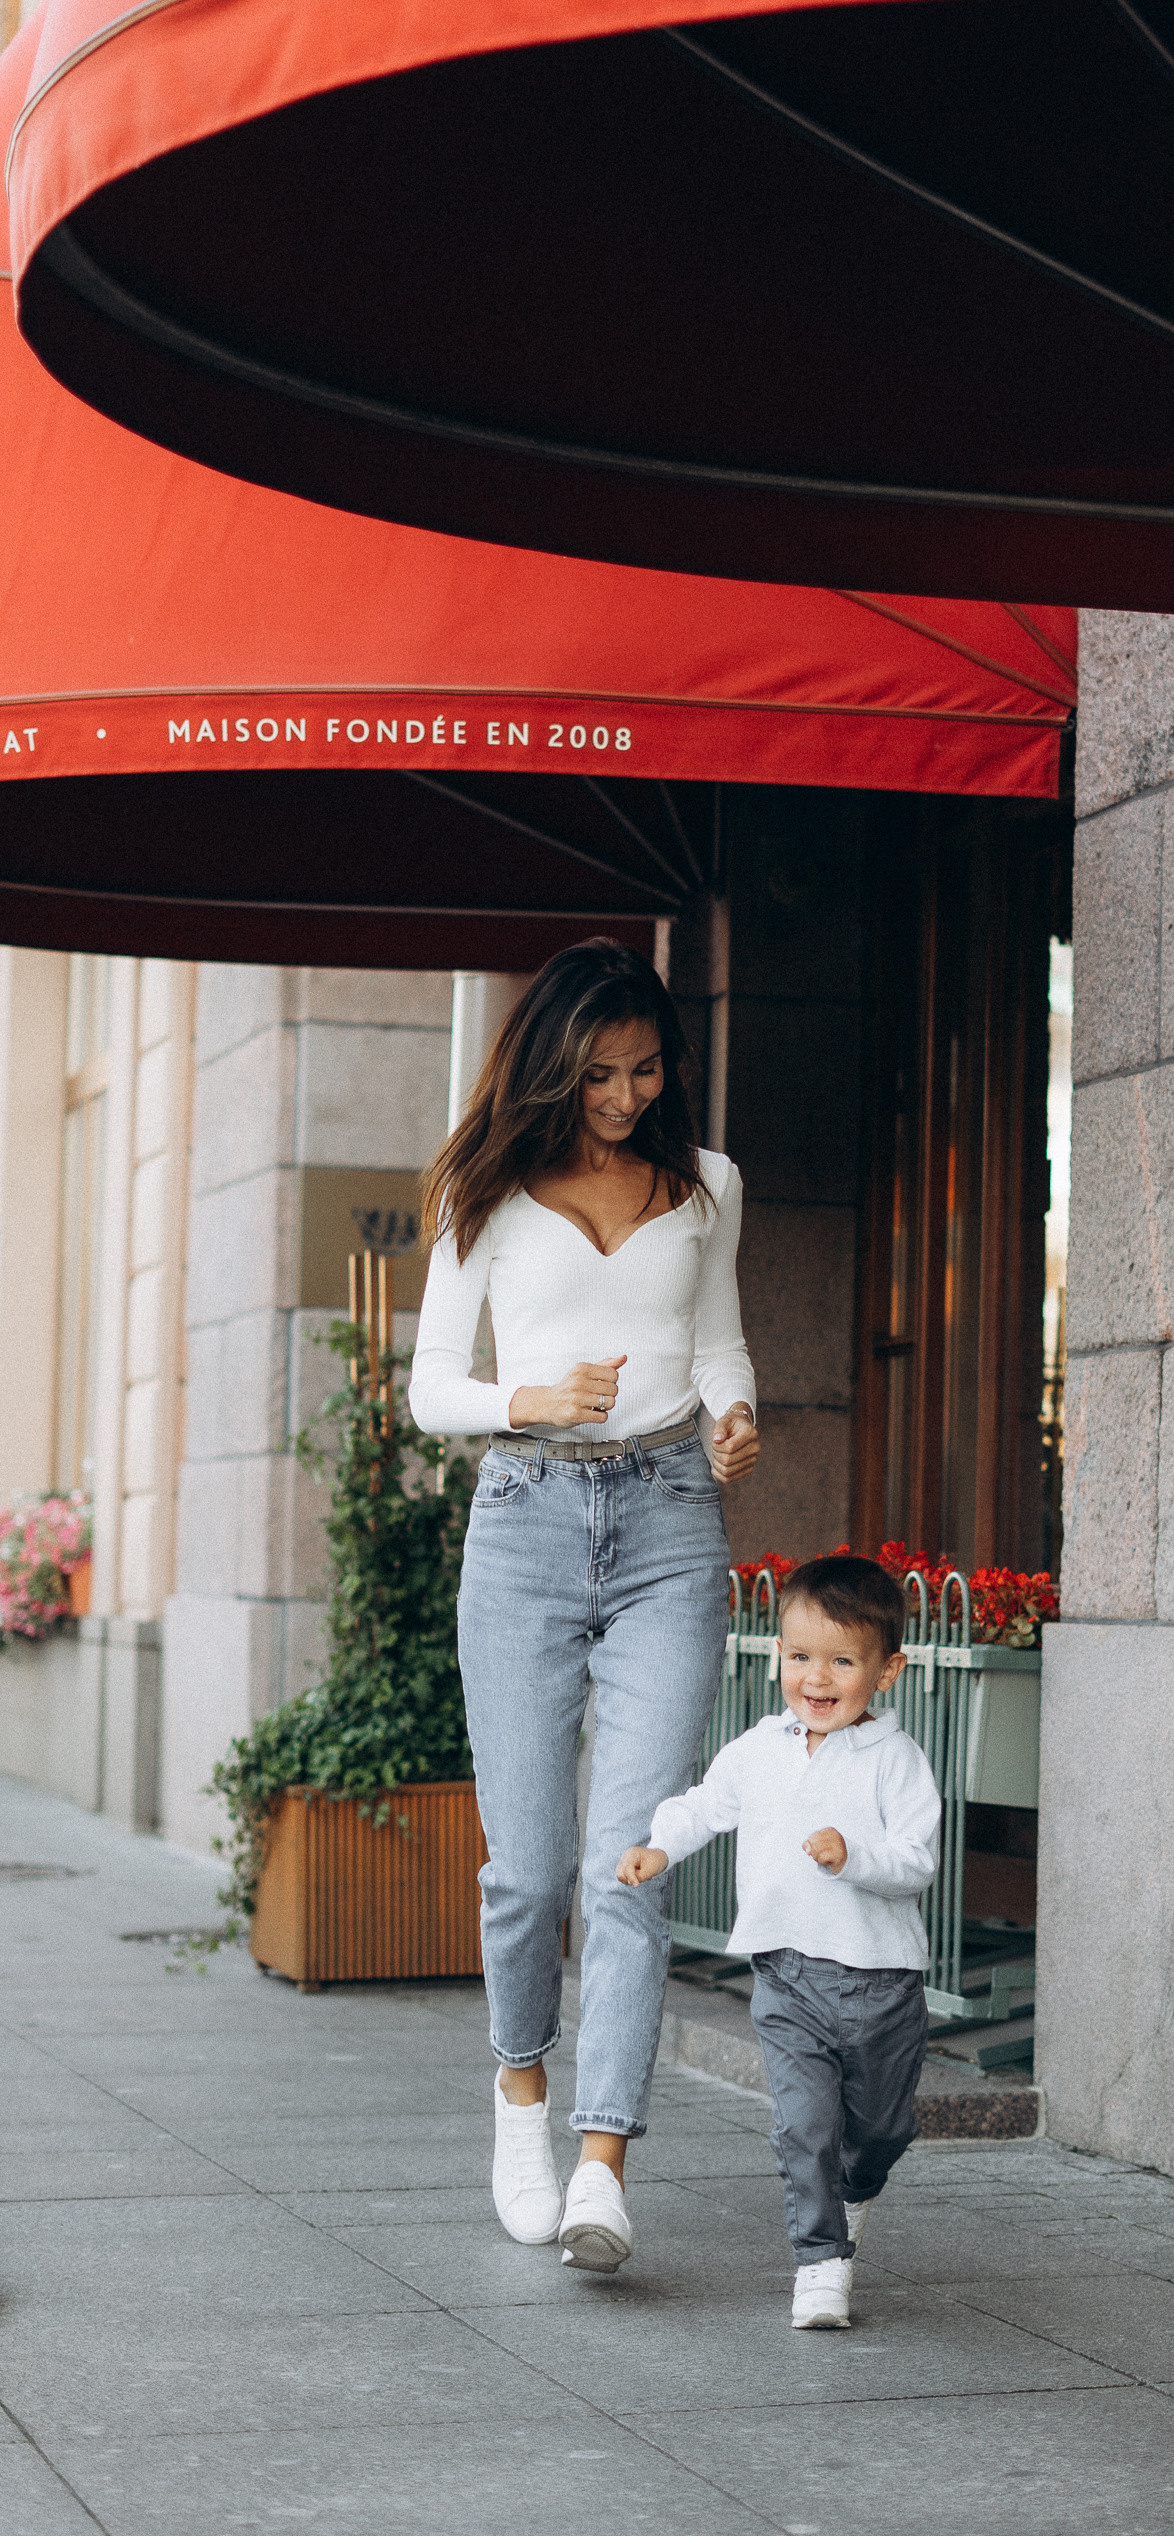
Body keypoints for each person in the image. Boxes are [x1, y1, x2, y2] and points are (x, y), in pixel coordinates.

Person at [409, 937, 759, 2276]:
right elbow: (432, 1384)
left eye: (645, 1067)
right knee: (527, 1869)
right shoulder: (483, 1192)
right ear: (556, 1065)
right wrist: (526, 1401)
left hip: (672, 1519)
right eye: (600, 1072)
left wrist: (736, 1416)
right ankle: (521, 2098)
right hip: (527, 1526)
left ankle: (604, 2161)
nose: (624, 1094)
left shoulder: (707, 1185)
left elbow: (716, 1339)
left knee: (631, 1857)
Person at [616, 1551, 940, 2329]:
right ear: (776, 1658)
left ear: (887, 1671)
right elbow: (704, 1804)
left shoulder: (896, 1762)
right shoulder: (759, 1750)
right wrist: (660, 1846)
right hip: (787, 1976)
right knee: (804, 2125)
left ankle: (855, 2192)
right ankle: (820, 2262)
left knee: (882, 2131)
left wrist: (854, 1857)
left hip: (883, 1985)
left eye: (841, 1661)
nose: (817, 1680)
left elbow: (917, 1862)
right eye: (800, 1658)